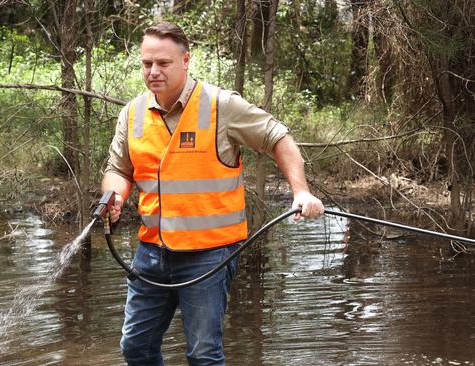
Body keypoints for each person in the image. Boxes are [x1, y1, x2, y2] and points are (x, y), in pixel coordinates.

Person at [101, 21, 324, 366]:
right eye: (147, 64)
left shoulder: (221, 106)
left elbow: (279, 137)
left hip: (209, 255)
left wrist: (301, 192)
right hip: (150, 252)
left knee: (203, 354)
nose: (154, 71)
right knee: (135, 348)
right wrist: (113, 198)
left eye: (163, 63)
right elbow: (118, 170)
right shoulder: (132, 114)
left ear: (186, 60)